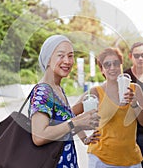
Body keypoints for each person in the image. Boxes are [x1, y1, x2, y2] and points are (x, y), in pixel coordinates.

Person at [29, 34, 100, 168]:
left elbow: (68, 118)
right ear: (48, 59)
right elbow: (39, 136)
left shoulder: (57, 89)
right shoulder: (44, 91)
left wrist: (85, 138)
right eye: (60, 55)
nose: (67, 61)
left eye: (70, 55)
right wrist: (77, 122)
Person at [72, 47, 143, 168]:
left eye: (116, 63)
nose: (112, 68)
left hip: (131, 159)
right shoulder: (95, 92)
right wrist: (84, 138)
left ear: (121, 66)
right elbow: (70, 114)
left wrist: (135, 104)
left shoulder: (134, 89)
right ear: (102, 69)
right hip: (101, 159)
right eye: (107, 65)